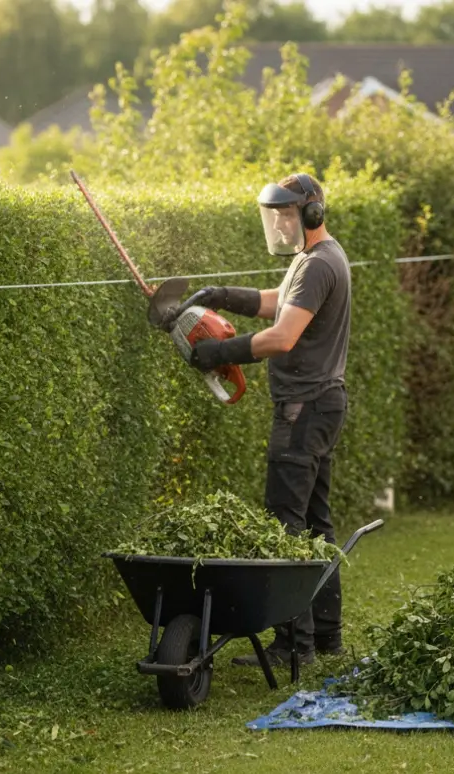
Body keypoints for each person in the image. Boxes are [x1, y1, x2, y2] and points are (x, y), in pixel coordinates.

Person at [173, 172, 352, 667]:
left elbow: (281, 337)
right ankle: (327, 637)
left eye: (288, 214)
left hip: (303, 409)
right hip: (322, 404)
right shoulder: (314, 258)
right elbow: (278, 303)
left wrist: (216, 353)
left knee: (286, 523)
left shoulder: (318, 265)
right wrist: (219, 294)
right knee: (316, 524)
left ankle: (294, 645)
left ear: (313, 213)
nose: (280, 224)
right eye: (274, 216)